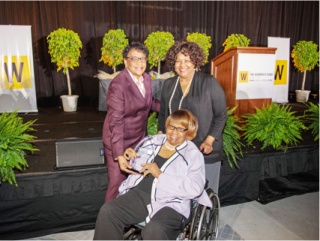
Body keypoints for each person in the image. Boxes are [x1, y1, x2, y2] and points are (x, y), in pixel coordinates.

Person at [94, 109, 212, 240]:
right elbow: (139, 165)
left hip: (171, 202)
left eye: (180, 129)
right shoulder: (154, 141)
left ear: (188, 132)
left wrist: (160, 175)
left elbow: (195, 188)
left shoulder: (193, 154)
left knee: (153, 230)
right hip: (140, 195)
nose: (174, 132)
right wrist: (131, 158)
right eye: (171, 127)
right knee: (108, 211)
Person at [158, 40, 227, 194]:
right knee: (181, 191)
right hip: (178, 149)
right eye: (178, 61)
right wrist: (161, 135)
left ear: (195, 61)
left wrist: (209, 140)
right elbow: (163, 113)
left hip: (204, 149)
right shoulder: (169, 84)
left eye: (187, 60)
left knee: (205, 193)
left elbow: (221, 115)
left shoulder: (209, 82)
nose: (182, 65)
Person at [102, 41, 160, 202]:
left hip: (138, 140)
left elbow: (149, 102)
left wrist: (172, 109)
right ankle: (109, 223)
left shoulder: (146, 78)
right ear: (125, 61)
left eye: (143, 59)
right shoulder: (118, 85)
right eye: (134, 59)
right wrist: (119, 155)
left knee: (136, 182)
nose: (140, 63)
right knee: (117, 184)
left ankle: (129, 217)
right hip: (118, 141)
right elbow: (116, 122)